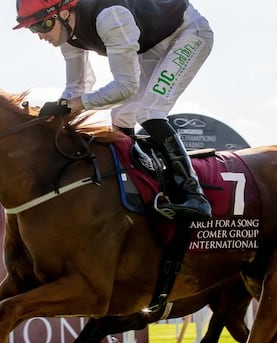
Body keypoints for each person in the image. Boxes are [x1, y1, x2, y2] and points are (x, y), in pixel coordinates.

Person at [13, 0, 214, 220]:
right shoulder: (67, 36)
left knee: (149, 112)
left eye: (42, 26)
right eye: (33, 28)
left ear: (63, 12)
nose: (40, 35)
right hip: (152, 42)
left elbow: (125, 87)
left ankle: (194, 195)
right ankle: (137, 185)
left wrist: (71, 105)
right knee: (121, 116)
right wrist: (57, 112)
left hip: (188, 33)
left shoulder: (110, 17)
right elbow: (77, 87)